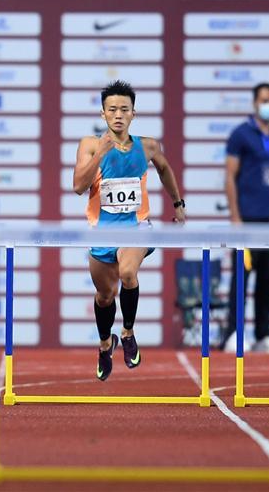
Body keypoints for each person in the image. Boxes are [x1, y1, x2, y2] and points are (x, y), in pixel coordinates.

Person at [73, 80, 186, 381]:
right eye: (112, 109)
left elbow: (164, 168)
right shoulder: (90, 145)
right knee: (104, 296)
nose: (118, 115)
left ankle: (127, 332)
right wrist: (100, 155)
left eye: (124, 109)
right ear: (103, 114)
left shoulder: (147, 146)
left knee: (127, 273)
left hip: (137, 227)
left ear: (133, 113)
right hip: (101, 232)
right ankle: (104, 344)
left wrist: (177, 203)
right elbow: (78, 187)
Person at [220, 82, 269, 353]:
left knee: (268, 281)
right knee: (241, 279)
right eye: (264, 100)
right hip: (247, 220)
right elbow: (230, 176)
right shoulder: (240, 134)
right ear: (254, 103)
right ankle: (234, 332)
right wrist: (235, 217)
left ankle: (263, 333)